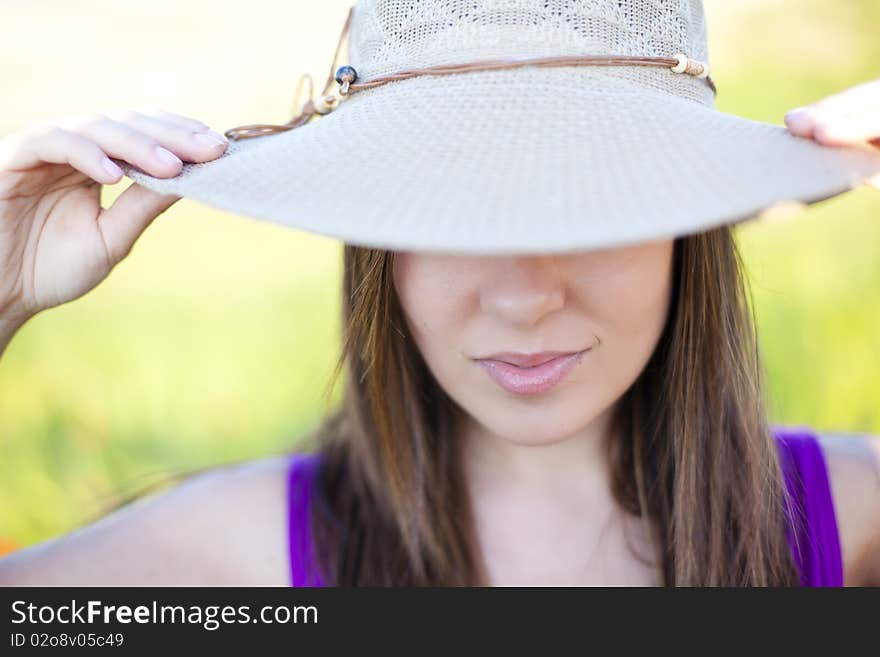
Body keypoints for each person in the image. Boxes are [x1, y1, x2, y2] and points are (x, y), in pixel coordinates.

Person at [0, 0, 879, 586]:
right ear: (379, 248)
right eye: (451, 216)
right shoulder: (246, 550)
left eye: (591, 205)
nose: (522, 297)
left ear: (690, 223)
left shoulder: (850, 516)